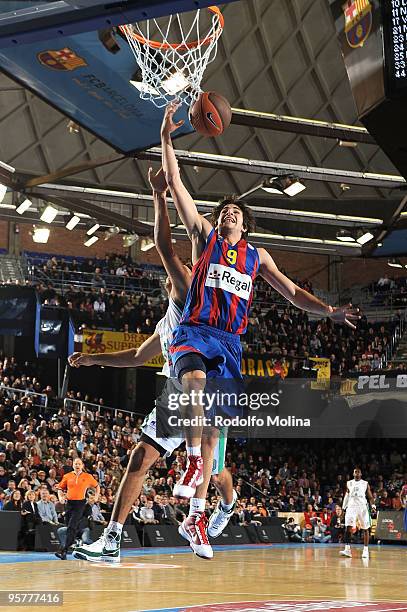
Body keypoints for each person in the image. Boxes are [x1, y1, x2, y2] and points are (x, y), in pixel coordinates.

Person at [160, 100, 360, 557]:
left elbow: (292, 293)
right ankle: (192, 466)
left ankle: (197, 521)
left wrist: (328, 310)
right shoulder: (203, 235)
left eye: (235, 211)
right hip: (196, 329)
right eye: (225, 208)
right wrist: (168, 140)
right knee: (191, 380)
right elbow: (176, 184)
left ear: (245, 224)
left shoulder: (257, 256)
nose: (229, 212)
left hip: (230, 343)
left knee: (216, 435)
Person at [70, 169, 236, 563]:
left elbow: (165, 246)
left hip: (207, 384)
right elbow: (136, 356)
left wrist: (159, 195)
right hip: (176, 395)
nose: (170, 276)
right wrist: (94, 358)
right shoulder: (167, 323)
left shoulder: (187, 293)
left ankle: (224, 507)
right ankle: (111, 541)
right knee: (140, 458)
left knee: (215, 474)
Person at [54, 457, 99, 560]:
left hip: (80, 503)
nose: (77, 465)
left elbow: (97, 486)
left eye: (79, 464)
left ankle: (63, 550)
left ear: (82, 465)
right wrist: (61, 497)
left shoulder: (87, 476)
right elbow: (60, 488)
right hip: (69, 504)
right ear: (73, 465)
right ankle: (64, 553)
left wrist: (96, 497)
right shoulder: (67, 476)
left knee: (71, 526)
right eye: (75, 464)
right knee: (69, 528)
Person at [340, 467, 376, 559]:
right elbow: (347, 496)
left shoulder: (365, 483)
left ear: (361, 474)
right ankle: (347, 550)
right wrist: (343, 509)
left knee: (365, 528)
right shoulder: (349, 483)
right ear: (353, 474)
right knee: (348, 527)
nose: (356, 473)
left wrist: (373, 506)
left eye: (358, 472)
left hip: (362, 507)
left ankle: (365, 550)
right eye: (355, 472)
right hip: (351, 507)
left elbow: (370, 497)